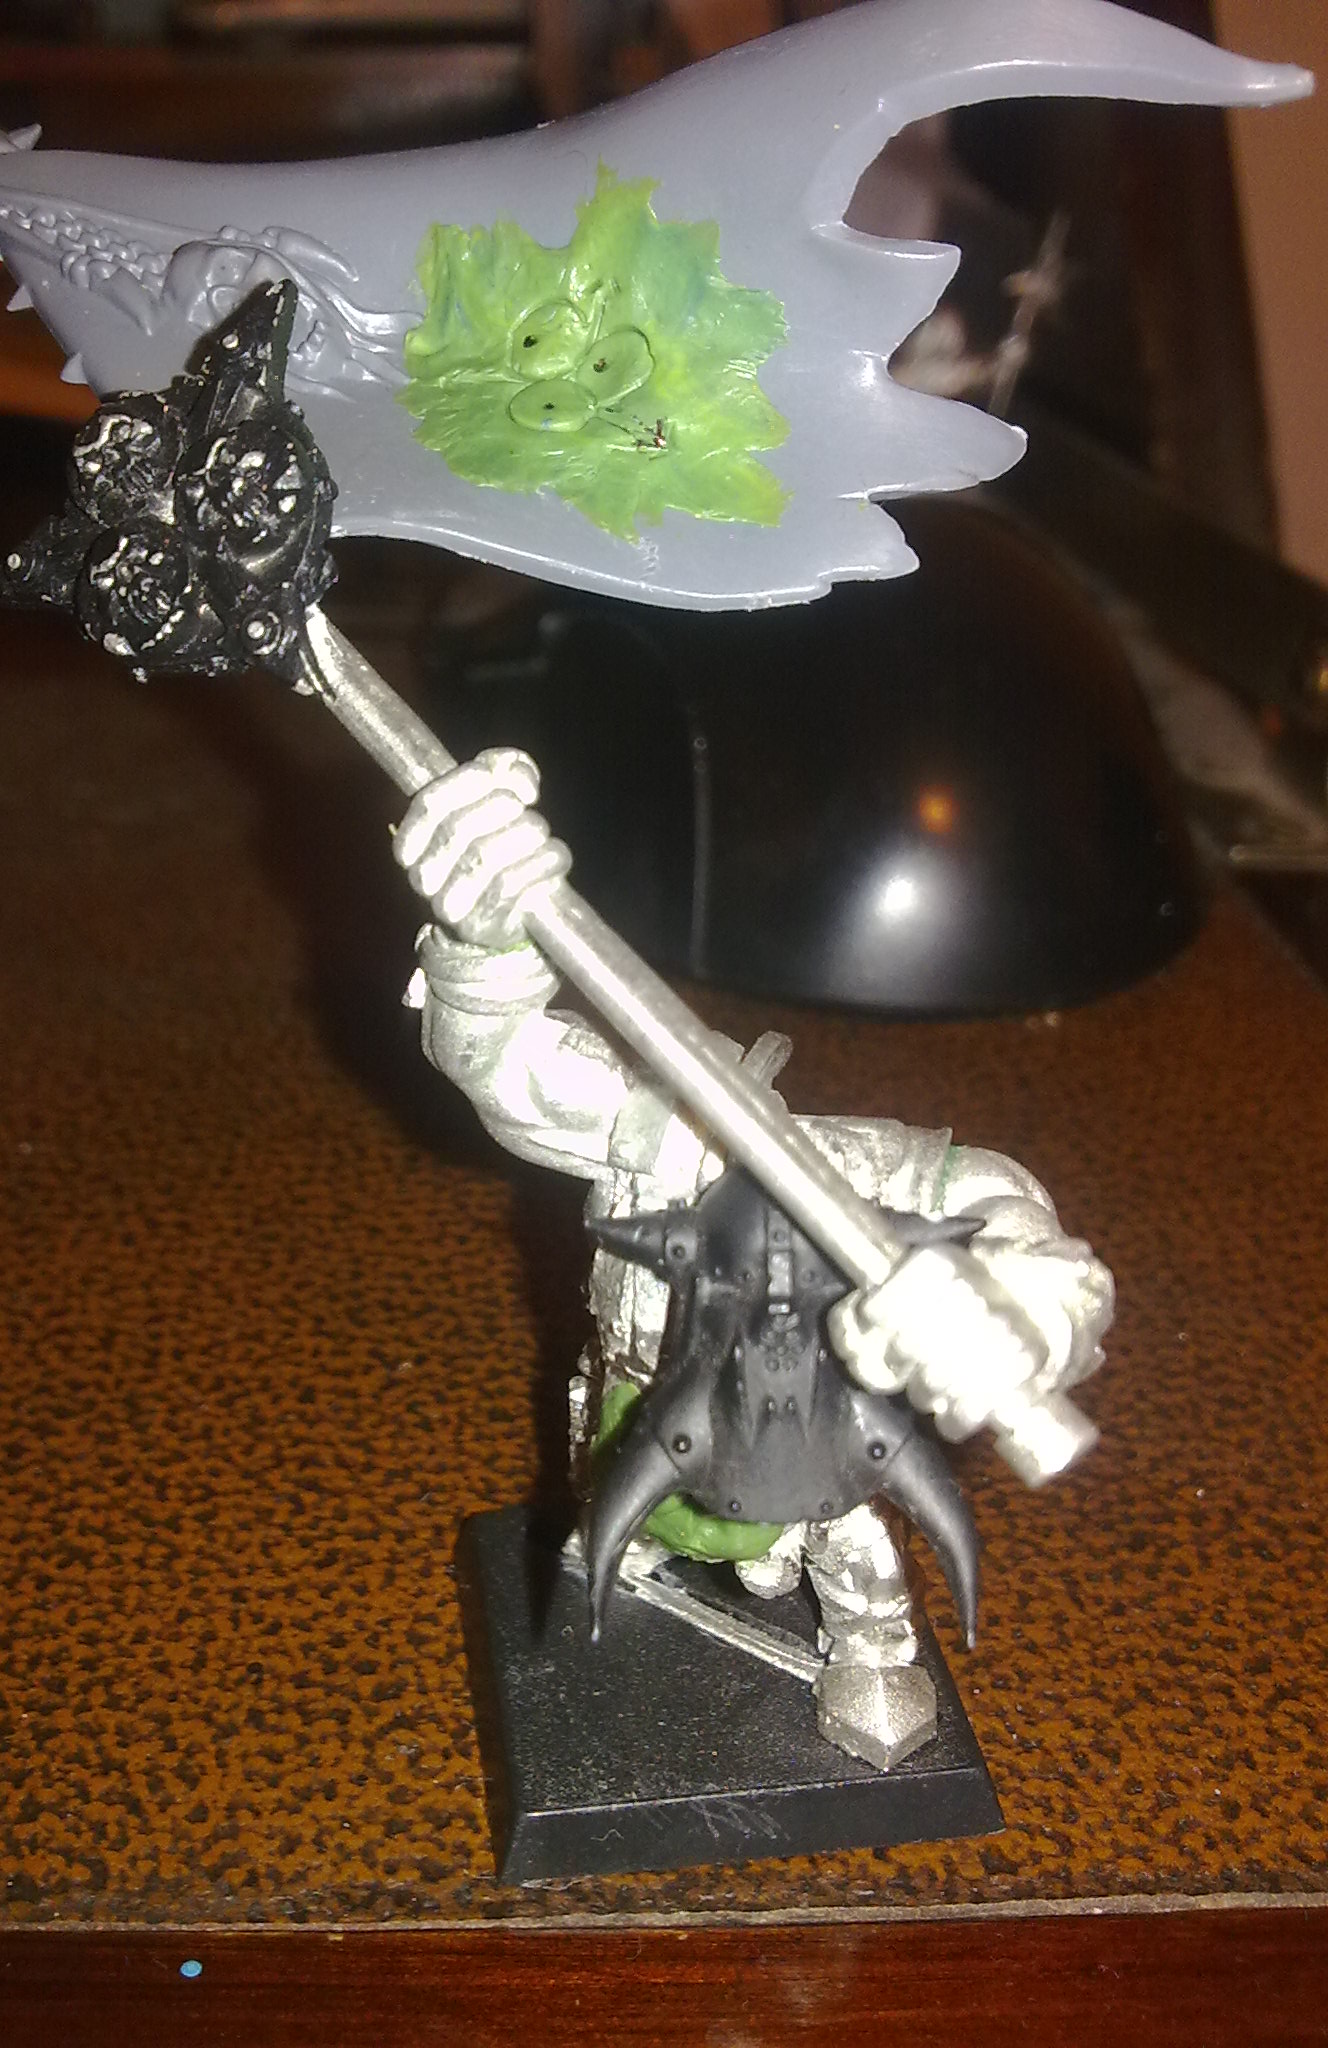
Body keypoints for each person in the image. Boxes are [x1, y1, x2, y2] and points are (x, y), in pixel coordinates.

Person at [395, 749, 1113, 1767]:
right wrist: (485, 943)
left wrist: (1016, 1307)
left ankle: (872, 1654)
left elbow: (1004, 1203)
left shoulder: (854, 1172)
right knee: (608, 1473)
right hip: (639, 1391)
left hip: (801, 1424)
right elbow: (505, 1067)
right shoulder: (655, 1137)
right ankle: (621, 1546)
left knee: (850, 1544)